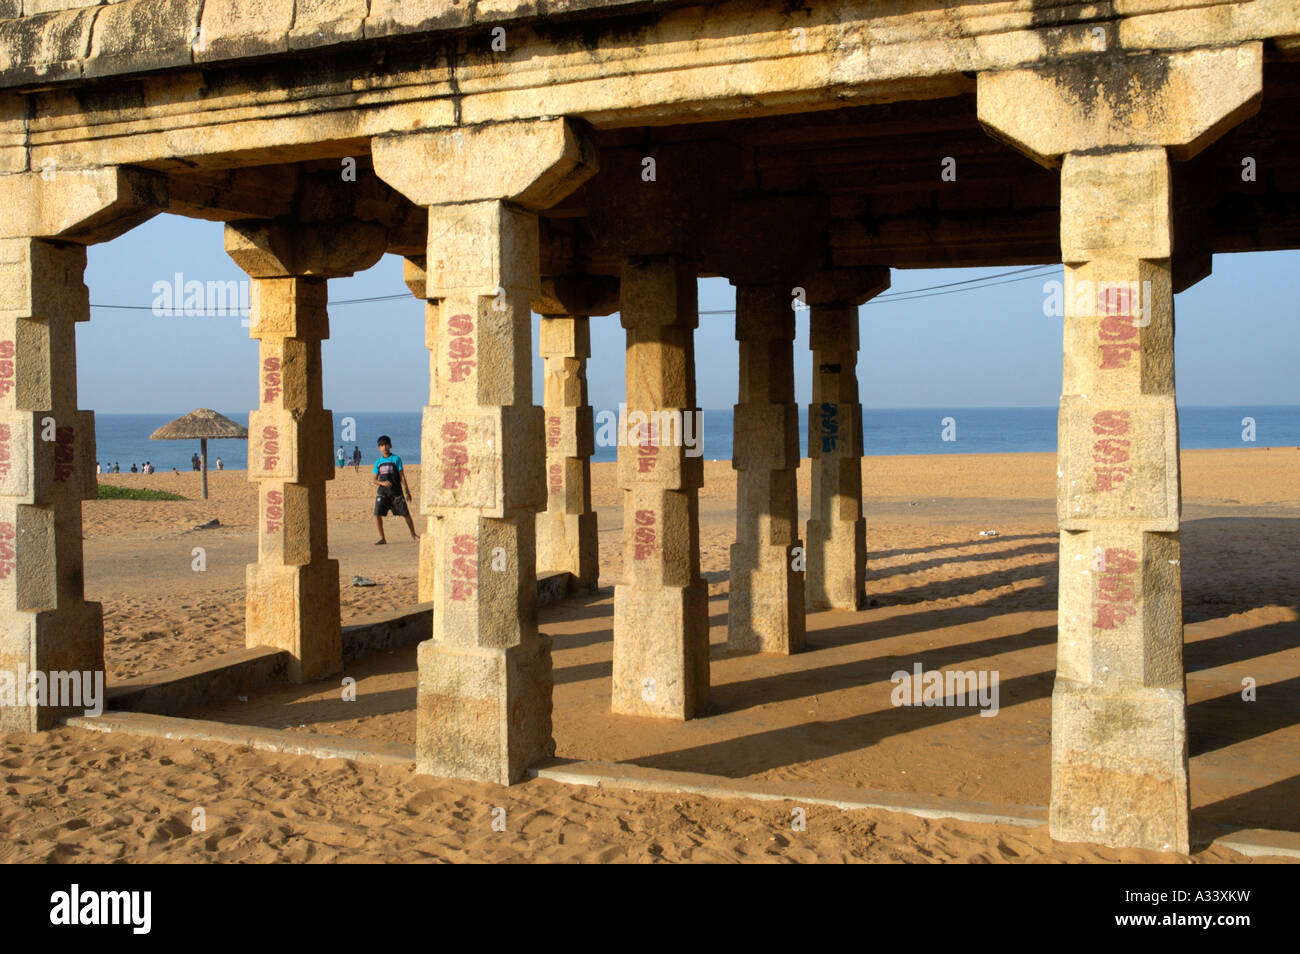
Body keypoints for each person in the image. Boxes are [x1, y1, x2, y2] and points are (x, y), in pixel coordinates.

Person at [372, 435, 417, 544]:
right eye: (382, 445)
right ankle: (382, 538)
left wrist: (407, 491)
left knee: (406, 514)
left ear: (390, 445)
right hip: (382, 493)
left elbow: (402, 476)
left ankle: (414, 535)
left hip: (396, 492)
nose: (384, 447)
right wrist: (382, 483)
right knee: (377, 515)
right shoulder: (378, 462)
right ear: (379, 448)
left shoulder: (396, 459)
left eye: (386, 445)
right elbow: (374, 480)